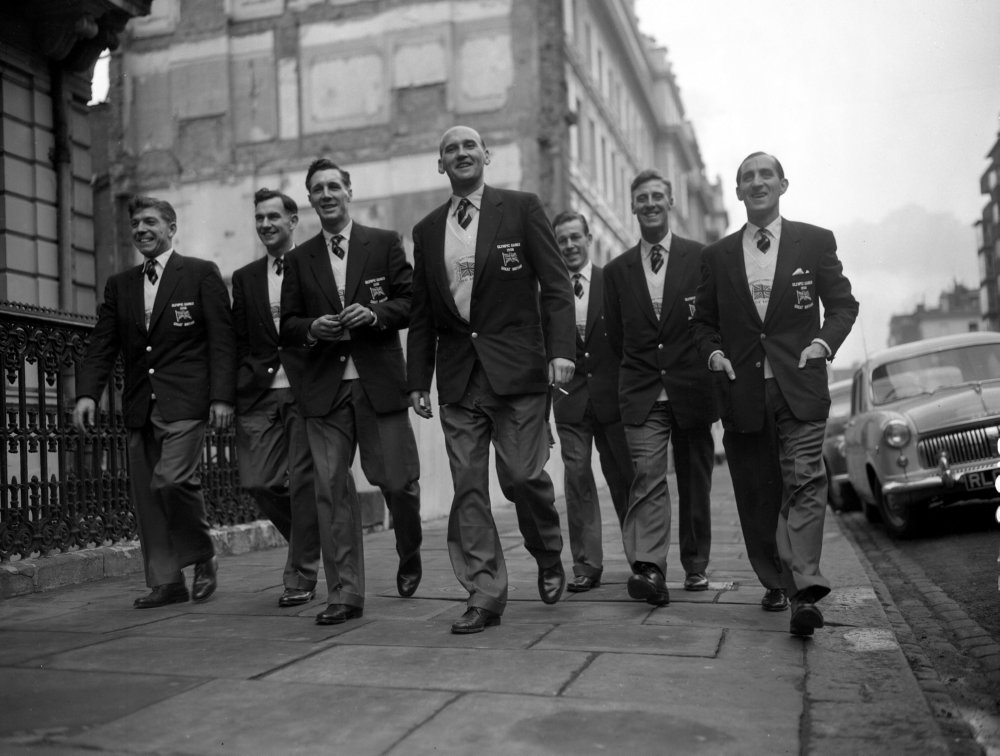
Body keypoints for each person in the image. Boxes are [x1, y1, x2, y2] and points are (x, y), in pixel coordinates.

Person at [406, 125, 576, 634]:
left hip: (519, 370)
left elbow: (556, 285)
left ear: (486, 155)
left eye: (468, 146)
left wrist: (562, 352)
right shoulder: (427, 230)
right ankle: (485, 591)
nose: (461, 153)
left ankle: (547, 551)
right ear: (441, 165)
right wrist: (418, 380)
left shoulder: (521, 208)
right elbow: (421, 314)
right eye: (450, 149)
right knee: (468, 490)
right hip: (458, 378)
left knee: (524, 478)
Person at [691, 152, 858, 636]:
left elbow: (844, 304)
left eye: (767, 175)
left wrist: (824, 343)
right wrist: (713, 354)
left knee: (805, 480)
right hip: (743, 390)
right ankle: (775, 579)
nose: (757, 182)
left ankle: (804, 589)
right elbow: (702, 323)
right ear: (738, 192)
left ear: (783, 185)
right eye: (748, 178)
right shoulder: (717, 256)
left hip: (800, 384)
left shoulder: (814, 241)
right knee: (758, 492)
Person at [73, 195, 235, 608]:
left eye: (150, 222)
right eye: (136, 225)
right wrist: (88, 393)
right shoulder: (120, 285)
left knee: (173, 479)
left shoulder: (200, 274)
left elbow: (222, 340)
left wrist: (221, 397)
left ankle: (201, 556)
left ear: (171, 228)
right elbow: (102, 344)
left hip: (186, 402)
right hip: (140, 405)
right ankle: (167, 582)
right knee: (147, 497)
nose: (141, 230)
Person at [281, 158, 422, 626]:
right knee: (331, 491)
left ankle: (409, 546)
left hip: (378, 383)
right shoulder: (299, 259)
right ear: (310, 198)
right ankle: (345, 593)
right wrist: (311, 328)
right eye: (317, 189)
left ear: (349, 192)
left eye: (333, 187)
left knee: (397, 484)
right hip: (324, 392)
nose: (326, 195)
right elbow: (289, 325)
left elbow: (410, 303)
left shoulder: (383, 243)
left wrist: (376, 315)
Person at [603, 169, 718, 608]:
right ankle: (650, 567)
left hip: (692, 388)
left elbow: (710, 322)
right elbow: (616, 336)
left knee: (694, 481)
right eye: (642, 198)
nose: (650, 203)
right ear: (632, 206)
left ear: (670, 203)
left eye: (657, 196)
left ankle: (695, 564)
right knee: (648, 478)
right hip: (643, 390)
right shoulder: (616, 272)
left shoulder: (700, 258)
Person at [231, 188, 321, 608]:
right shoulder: (245, 277)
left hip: (305, 390)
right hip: (261, 393)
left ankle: (300, 575)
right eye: (259, 218)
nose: (265, 224)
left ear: (292, 220)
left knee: (304, 484)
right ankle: (311, 537)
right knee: (258, 480)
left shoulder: (314, 264)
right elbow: (237, 339)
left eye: (273, 217)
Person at [550, 210, 634, 593]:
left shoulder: (611, 282)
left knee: (623, 477)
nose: (569, 245)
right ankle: (586, 564)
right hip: (569, 401)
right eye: (562, 239)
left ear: (588, 238)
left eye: (574, 237)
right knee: (577, 478)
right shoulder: (549, 292)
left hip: (613, 398)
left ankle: (642, 559)